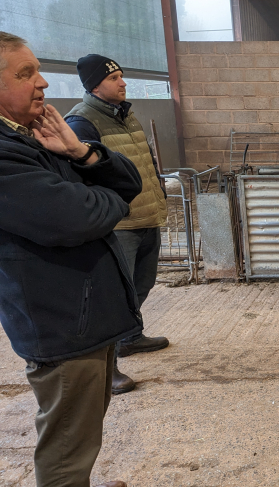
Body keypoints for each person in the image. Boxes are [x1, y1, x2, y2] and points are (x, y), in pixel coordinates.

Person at [0, 32, 141, 487]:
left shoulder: (32, 137)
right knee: (65, 446)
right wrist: (108, 202)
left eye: (37, 69)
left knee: (81, 432)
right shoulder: (4, 155)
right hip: (60, 321)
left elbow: (128, 183)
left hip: (82, 316)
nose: (41, 82)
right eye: (25, 74)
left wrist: (81, 152)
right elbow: (79, 217)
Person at [65, 54, 169, 394]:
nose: (122, 82)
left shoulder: (128, 116)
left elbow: (145, 164)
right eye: (114, 79)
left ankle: (130, 337)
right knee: (110, 297)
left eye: (122, 76)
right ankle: (105, 368)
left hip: (146, 215)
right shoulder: (82, 123)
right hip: (118, 225)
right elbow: (81, 179)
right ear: (95, 85)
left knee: (142, 283)